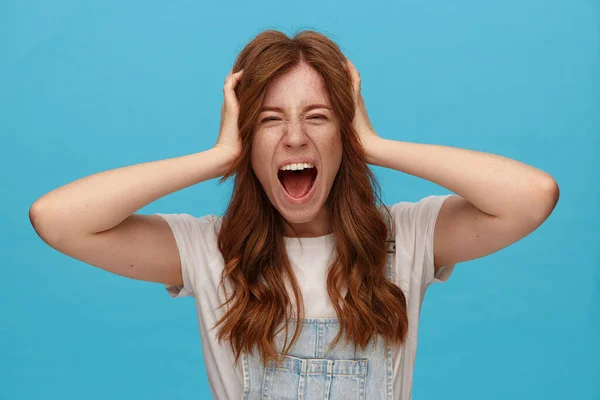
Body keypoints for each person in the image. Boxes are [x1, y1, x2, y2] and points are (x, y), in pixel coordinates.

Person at [29, 29, 559, 400]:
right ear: (247, 141)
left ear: (342, 136)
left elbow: (532, 196)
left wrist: (373, 143)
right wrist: (216, 157)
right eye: (269, 120)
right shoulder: (210, 253)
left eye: (319, 117)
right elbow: (57, 218)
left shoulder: (404, 239)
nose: (295, 137)